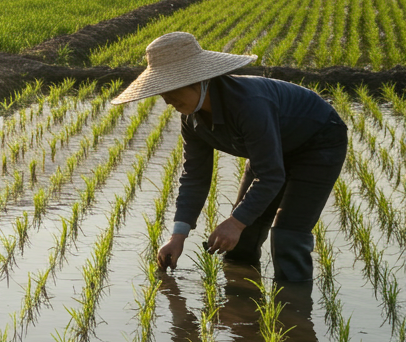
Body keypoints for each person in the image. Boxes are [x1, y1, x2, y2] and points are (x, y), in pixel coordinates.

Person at [110, 32, 347, 282]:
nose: (166, 99)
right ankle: (241, 300)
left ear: (199, 80)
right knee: (242, 237)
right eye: (160, 91)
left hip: (317, 143)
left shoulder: (249, 104)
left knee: (288, 236)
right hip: (270, 150)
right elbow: (195, 176)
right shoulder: (192, 120)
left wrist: (235, 223)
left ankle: (293, 302)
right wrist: (177, 236)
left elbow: (270, 175)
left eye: (170, 89)